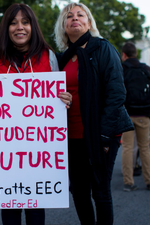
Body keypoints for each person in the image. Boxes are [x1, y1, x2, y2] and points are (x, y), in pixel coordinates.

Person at [0, 3, 72, 225]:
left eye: (25, 22)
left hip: (39, 152)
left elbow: (58, 97)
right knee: (9, 207)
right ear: (6, 28)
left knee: (35, 207)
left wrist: (64, 99)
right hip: (3, 153)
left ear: (33, 26)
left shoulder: (48, 56)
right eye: (13, 23)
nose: (19, 27)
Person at [54, 2, 134, 225]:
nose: (75, 18)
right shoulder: (61, 58)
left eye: (81, 15)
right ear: (64, 25)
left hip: (100, 134)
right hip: (70, 136)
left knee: (100, 192)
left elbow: (117, 93)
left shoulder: (103, 49)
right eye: (69, 16)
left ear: (89, 22)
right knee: (78, 192)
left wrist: (104, 135)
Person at [121, 41, 150, 191]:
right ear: (136, 54)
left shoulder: (122, 69)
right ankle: (148, 181)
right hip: (144, 114)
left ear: (124, 55)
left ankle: (128, 182)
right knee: (144, 148)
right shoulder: (145, 69)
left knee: (127, 147)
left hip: (126, 114)